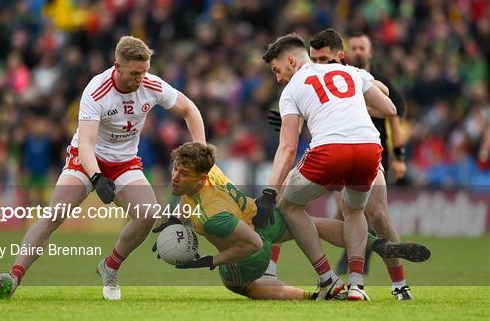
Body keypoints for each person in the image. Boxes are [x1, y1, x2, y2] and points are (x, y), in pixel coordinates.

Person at [0, 36, 206, 300]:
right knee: (54, 215)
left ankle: (110, 267)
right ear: (117, 66)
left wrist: (201, 148)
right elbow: (85, 142)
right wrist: (95, 177)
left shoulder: (152, 84)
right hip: (86, 160)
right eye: (135, 72)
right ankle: (14, 276)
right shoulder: (97, 90)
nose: (142, 78)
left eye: (145, 71)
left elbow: (190, 109)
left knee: (148, 215)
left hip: (125, 163)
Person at [152, 142, 429, 300]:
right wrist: (174, 218)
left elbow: (252, 244)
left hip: (251, 247)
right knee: (308, 224)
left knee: (235, 284)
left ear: (201, 179)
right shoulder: (207, 173)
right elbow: (190, 194)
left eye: (182, 172)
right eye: (175, 168)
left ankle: (311, 296)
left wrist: (211, 261)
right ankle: (376, 244)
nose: (175, 176)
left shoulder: (215, 217)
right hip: (260, 215)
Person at [257, 33, 397, 301]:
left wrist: (269, 192)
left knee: (287, 206)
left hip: (330, 150)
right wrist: (349, 106)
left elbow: (287, 148)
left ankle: (327, 279)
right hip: (369, 148)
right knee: (354, 211)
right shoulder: (351, 72)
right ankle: (356, 284)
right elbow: (389, 108)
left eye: (277, 70)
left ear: (291, 60)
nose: (278, 78)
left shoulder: (292, 90)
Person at [306, 29, 413, 300]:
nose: (358, 52)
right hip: (333, 155)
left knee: (375, 215)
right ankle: (355, 270)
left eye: (361, 48)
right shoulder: (314, 80)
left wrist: (399, 156)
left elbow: (391, 112)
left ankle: (396, 283)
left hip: (370, 154)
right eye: (315, 60)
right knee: (349, 215)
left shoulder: (363, 79)